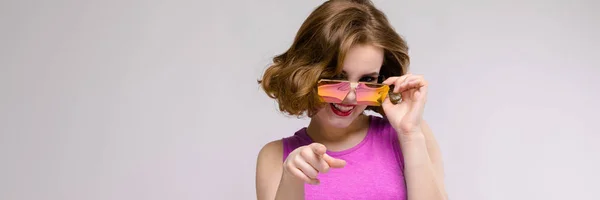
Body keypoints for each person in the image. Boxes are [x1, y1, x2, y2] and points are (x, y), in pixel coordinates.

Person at [255, 0, 447, 199]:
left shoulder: (410, 134)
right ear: (307, 74)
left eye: (367, 79)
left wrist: (409, 135)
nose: (351, 96)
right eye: (338, 77)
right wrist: (292, 178)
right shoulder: (275, 157)